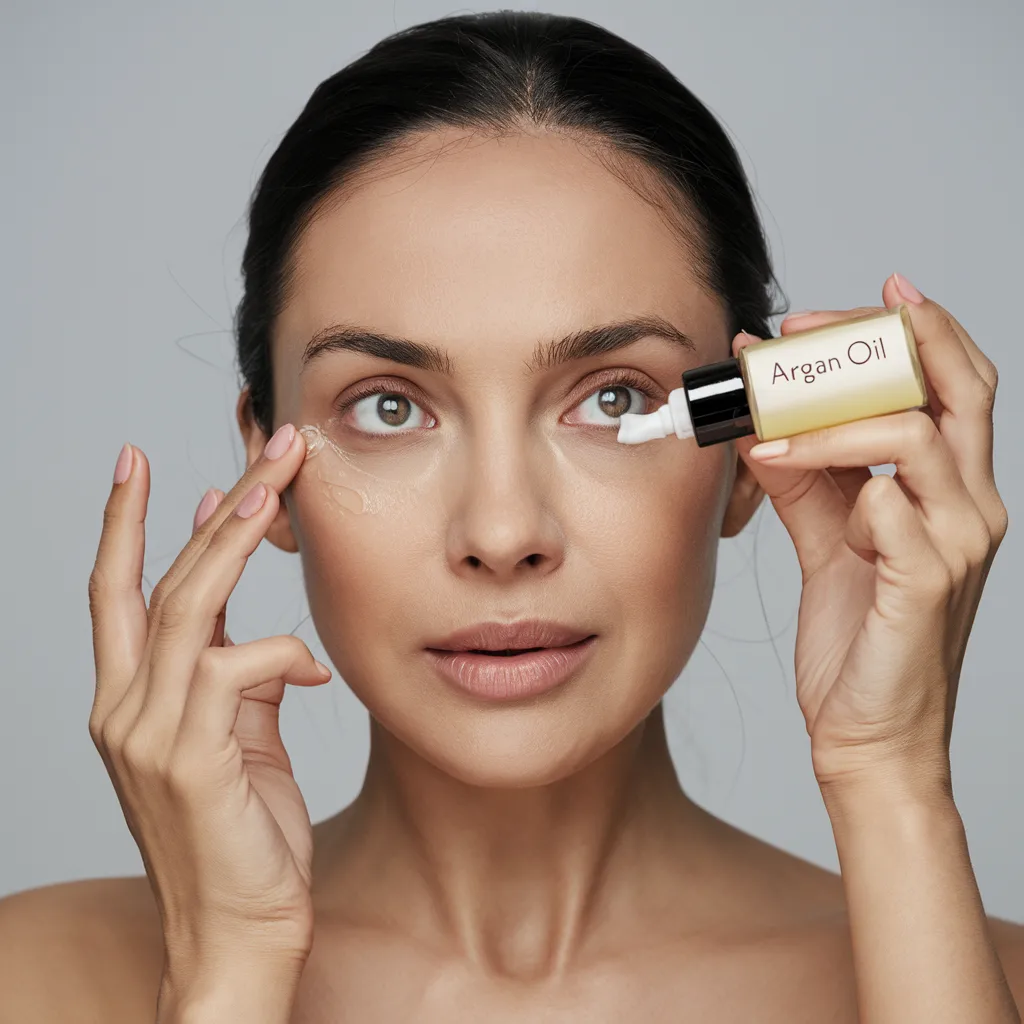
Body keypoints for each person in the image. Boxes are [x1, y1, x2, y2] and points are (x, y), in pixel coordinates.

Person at [1, 11, 1020, 1022]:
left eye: (614, 396)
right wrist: (228, 977)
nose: (500, 532)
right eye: (388, 406)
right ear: (264, 468)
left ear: (752, 452)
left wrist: (891, 782)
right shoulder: (37, 979)